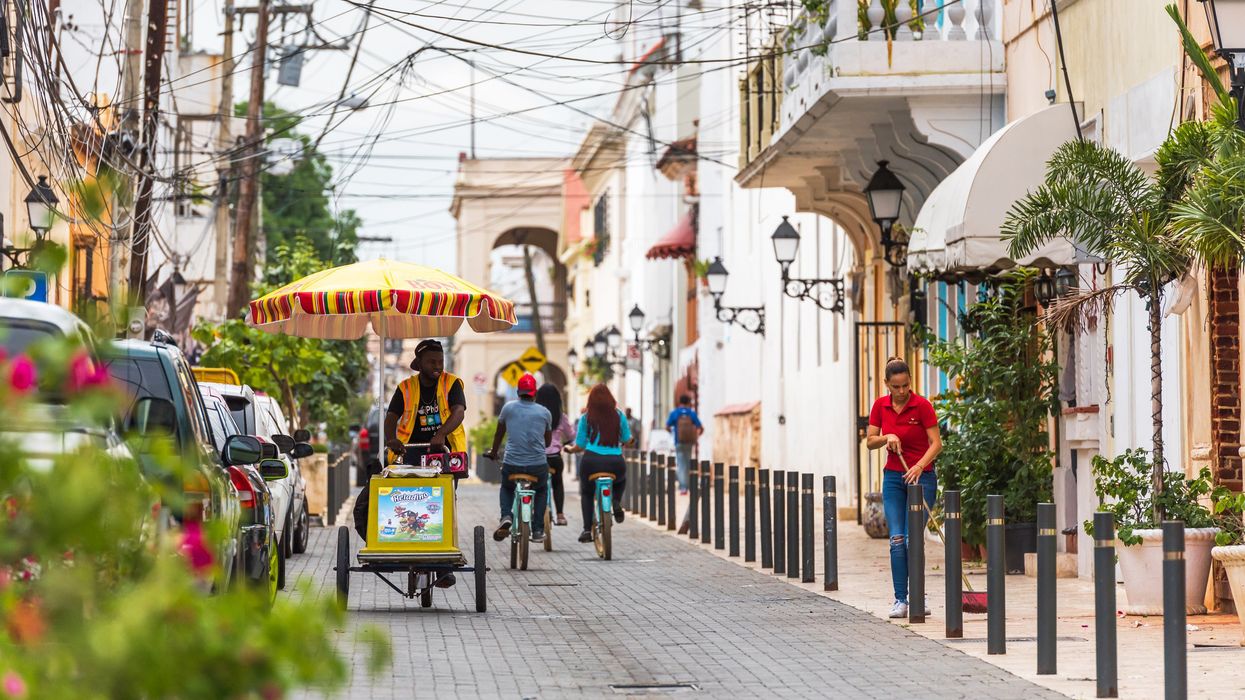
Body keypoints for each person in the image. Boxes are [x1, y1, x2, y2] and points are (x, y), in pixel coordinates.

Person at [353, 339, 466, 545]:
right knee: (410, 497)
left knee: (444, 500)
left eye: (440, 361)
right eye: (432, 362)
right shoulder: (405, 387)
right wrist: (391, 439)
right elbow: (391, 418)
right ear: (419, 363)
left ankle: (444, 564)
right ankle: (403, 541)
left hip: (444, 452)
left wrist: (440, 434)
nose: (438, 366)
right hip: (410, 451)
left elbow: (458, 412)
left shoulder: (452, 383)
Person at [865, 356, 942, 619]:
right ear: (887, 384)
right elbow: (870, 441)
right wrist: (888, 436)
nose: (901, 392)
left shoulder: (922, 406)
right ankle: (901, 600)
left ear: (910, 382)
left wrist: (920, 466)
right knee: (897, 540)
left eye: (905, 386)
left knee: (912, 540)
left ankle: (919, 595)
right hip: (894, 479)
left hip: (922, 480)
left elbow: (936, 443)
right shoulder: (880, 406)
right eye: (896, 387)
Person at [485, 374, 552, 543]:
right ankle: (537, 529)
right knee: (542, 489)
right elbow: (548, 441)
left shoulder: (508, 408)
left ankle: (506, 515)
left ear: (518, 392)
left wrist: (493, 452)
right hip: (537, 465)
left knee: (507, 487)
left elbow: (499, 434)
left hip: (512, 463)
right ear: (534, 393)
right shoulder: (545, 412)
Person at [574, 384, 630, 543]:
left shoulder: (586, 417)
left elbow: (580, 444)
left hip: (591, 461)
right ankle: (616, 501)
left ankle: (586, 530)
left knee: (586, 492)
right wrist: (630, 441)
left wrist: (571, 450)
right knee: (621, 480)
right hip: (615, 462)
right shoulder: (619, 415)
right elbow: (626, 439)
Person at [535, 383, 575, 527]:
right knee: (557, 483)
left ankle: (534, 511)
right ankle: (560, 515)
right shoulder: (561, 417)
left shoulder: (535, 415)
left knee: (535, 483)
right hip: (555, 458)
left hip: (538, 457)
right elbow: (571, 435)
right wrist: (566, 443)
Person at [665, 394, 702, 494]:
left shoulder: (675, 413)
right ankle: (689, 485)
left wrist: (673, 433)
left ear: (680, 402)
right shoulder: (691, 413)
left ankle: (683, 487)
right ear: (688, 402)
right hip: (689, 442)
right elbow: (700, 427)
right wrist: (696, 436)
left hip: (679, 442)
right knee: (688, 463)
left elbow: (667, 426)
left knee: (681, 464)